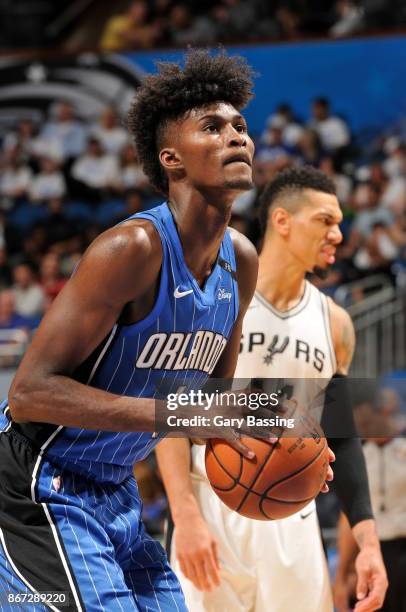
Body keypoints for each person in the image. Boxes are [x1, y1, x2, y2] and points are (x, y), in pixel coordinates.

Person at [0, 50, 260, 611]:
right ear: (172, 159)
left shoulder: (241, 260)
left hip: (115, 488)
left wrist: (289, 437)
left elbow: (210, 405)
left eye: (239, 125)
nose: (236, 135)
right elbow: (26, 394)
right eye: (212, 128)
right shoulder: (132, 249)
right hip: (39, 480)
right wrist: (175, 415)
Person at [157, 166, 388, 612]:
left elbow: (341, 436)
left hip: (293, 510)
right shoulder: (215, 296)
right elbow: (173, 411)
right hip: (211, 501)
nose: (338, 234)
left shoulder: (335, 323)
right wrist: (184, 516)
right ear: (282, 221)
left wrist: (368, 542)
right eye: (325, 220)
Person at [334, 396, 406, 612]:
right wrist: (340, 577)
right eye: (360, 425)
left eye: (367, 422)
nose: (363, 428)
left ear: (383, 413)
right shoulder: (358, 458)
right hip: (373, 549)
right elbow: (348, 517)